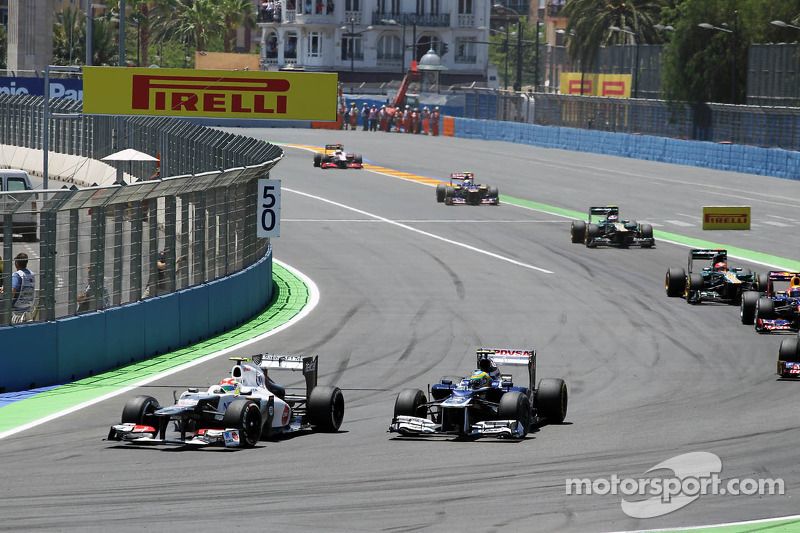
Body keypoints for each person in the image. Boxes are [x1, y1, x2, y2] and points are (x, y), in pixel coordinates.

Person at [7, 252, 35, 323]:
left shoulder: (17, 275)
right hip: (28, 307)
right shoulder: (31, 274)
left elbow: (12, 292)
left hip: (16, 310)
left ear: (16, 263)